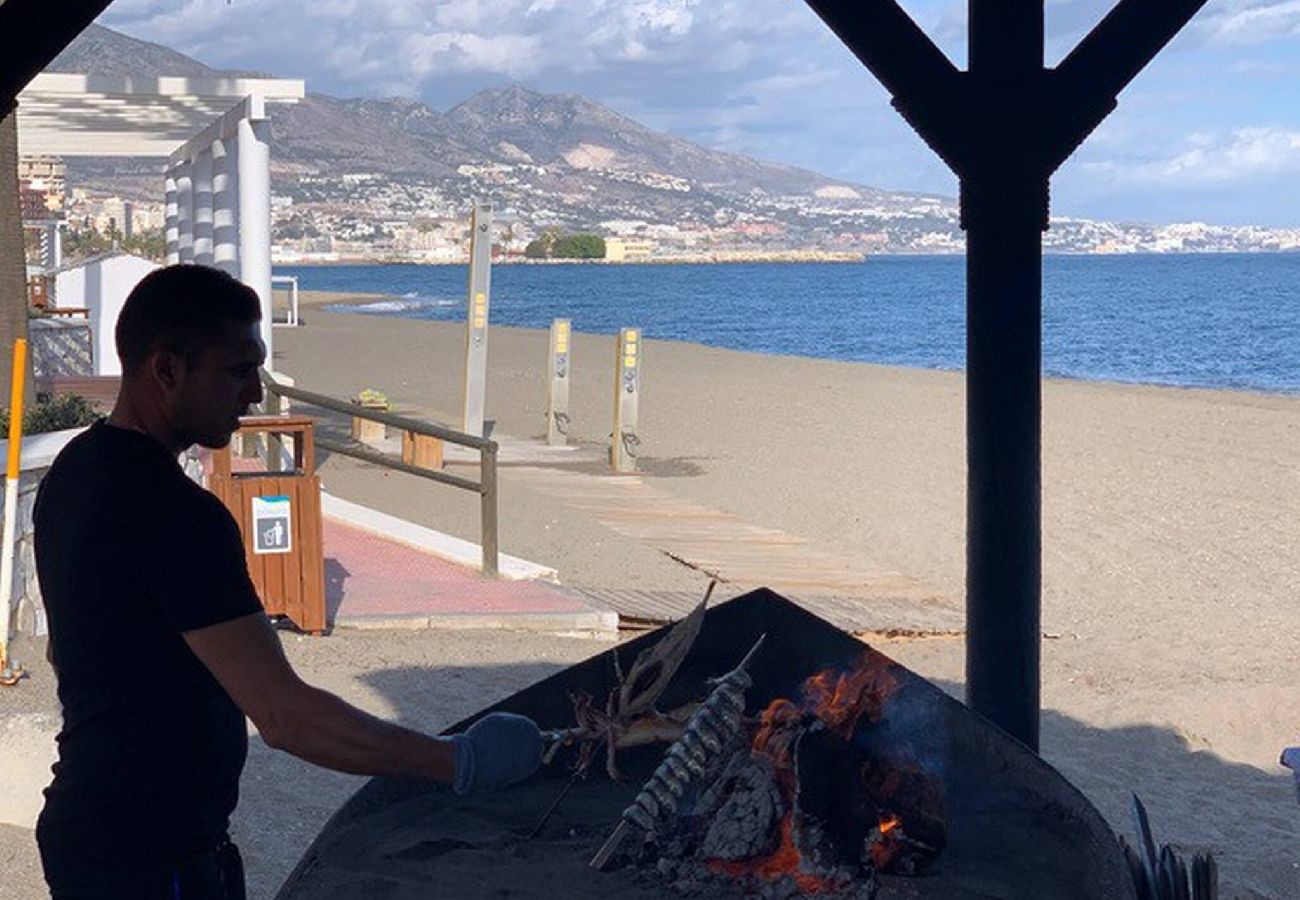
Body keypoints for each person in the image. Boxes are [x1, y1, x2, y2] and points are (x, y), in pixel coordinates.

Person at [33, 265, 544, 900]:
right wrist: (459, 761)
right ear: (166, 370)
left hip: (93, 827)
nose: (255, 392)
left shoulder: (73, 472)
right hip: (146, 851)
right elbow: (284, 716)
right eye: (237, 370)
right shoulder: (177, 515)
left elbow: (69, 649)